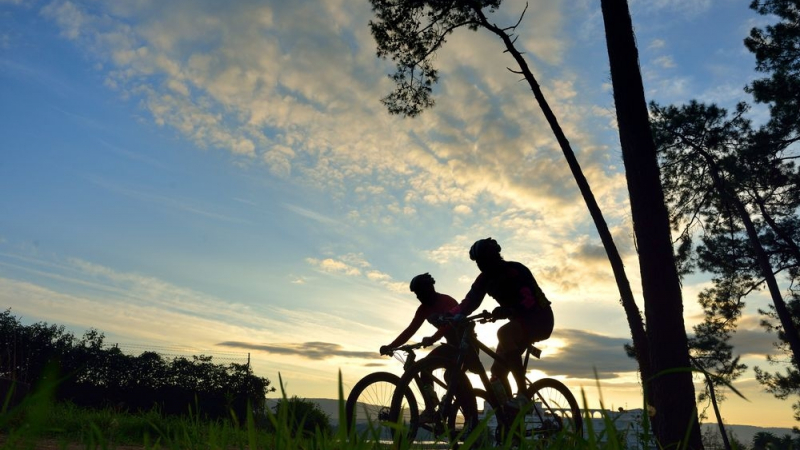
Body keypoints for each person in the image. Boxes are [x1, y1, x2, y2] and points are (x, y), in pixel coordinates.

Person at [450, 237, 554, 408]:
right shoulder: (483, 279)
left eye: (484, 260)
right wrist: (449, 314)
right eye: (478, 262)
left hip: (539, 318)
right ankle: (510, 414)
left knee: (504, 333)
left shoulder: (515, 270)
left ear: (495, 256)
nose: (481, 265)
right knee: (497, 372)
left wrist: (510, 310)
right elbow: (470, 301)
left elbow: (528, 299)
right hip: (519, 322)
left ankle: (523, 394)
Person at [379, 273, 459, 357]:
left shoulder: (446, 301)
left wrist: (433, 338)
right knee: (427, 364)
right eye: (416, 293)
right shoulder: (423, 309)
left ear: (430, 288)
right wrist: (391, 346)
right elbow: (410, 330)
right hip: (451, 343)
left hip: (467, 341)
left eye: (420, 292)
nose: (418, 296)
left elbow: (450, 324)